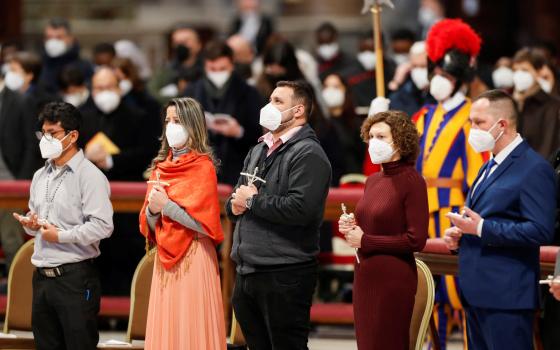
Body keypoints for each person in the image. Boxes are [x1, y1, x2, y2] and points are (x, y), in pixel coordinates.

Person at [443, 89, 556, 350]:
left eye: (478, 122)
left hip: (507, 295)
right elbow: (485, 219)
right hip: (476, 292)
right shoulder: (489, 164)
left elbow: (540, 230)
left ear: (501, 124)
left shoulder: (534, 168)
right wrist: (460, 235)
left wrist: (481, 227)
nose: (472, 129)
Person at [227, 80, 331, 349]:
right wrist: (234, 206)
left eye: (277, 101)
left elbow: (301, 209)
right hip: (247, 269)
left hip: (285, 272)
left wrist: (252, 202)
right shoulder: (259, 148)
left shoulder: (309, 153)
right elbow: (238, 195)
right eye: (270, 99)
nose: (269, 106)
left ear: (298, 111)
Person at [13, 101, 114, 350]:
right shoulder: (40, 175)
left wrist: (62, 236)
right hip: (42, 277)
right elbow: (37, 221)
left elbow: (103, 226)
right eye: (43, 133)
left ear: (73, 135)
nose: (46, 139)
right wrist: (31, 224)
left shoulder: (90, 176)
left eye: (53, 133)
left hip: (75, 277)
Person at [412, 19, 487, 349]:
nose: (438, 80)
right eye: (437, 74)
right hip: (424, 208)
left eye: (446, 75)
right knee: (432, 288)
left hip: (455, 207)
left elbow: (477, 172)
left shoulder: (472, 115)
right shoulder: (426, 114)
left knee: (461, 291)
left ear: (460, 80)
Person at [139, 97, 226, 350]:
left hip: (195, 255)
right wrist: (154, 211)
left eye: (177, 120)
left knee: (192, 328)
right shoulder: (159, 168)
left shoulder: (203, 167)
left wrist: (166, 206)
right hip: (165, 257)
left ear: (192, 125)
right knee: (167, 326)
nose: (171, 126)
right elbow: (149, 224)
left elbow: (204, 225)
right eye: (168, 121)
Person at [339, 110, 428, 349]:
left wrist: (366, 240)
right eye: (371, 137)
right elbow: (371, 226)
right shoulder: (373, 180)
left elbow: (416, 240)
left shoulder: (412, 181)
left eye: (381, 137)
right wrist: (351, 227)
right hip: (365, 275)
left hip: (393, 278)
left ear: (399, 140)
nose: (373, 143)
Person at [183, 40, 263, 185]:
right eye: (212, 69)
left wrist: (239, 132)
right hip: (199, 169)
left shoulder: (249, 93)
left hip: (236, 169)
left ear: (232, 65)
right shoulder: (191, 91)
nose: (217, 73)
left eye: (222, 68)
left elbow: (259, 133)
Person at [511, 48, 560, 159]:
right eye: (515, 70)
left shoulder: (552, 105)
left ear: (539, 71)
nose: (519, 75)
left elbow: (548, 149)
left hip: (537, 172)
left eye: (524, 70)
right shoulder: (512, 103)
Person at [321, 73, 364, 184]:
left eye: (336, 87)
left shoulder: (356, 125)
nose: (330, 91)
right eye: (326, 86)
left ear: (345, 90)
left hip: (350, 182)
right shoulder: (317, 124)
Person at [149, 24, 203, 102]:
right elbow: (152, 94)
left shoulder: (209, 68)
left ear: (198, 45)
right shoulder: (165, 70)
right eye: (177, 42)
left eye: (185, 41)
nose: (181, 46)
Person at [40, 18, 93, 93]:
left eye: (59, 37)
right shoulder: (38, 66)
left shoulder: (85, 67)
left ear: (70, 38)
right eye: (49, 37)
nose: (53, 41)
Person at [389, 41, 435, 116]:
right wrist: (396, 82)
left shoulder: (441, 95)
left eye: (423, 66)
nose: (419, 70)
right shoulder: (400, 97)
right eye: (415, 66)